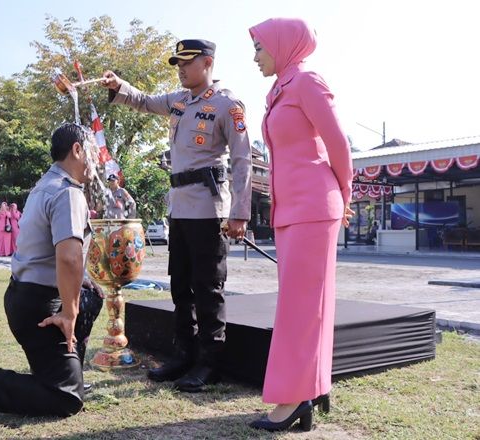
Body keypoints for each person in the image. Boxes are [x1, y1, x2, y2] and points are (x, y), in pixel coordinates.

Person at [101, 39, 252, 392]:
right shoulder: (178, 101)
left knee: (207, 288)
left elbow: (243, 160)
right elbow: (141, 100)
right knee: (180, 286)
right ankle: (184, 354)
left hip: (208, 210)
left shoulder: (228, 106)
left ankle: (210, 362)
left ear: (208, 63)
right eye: (177, 63)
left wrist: (239, 213)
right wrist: (117, 86)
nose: (181, 69)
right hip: (180, 210)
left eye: (187, 62)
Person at [0, 123, 104, 418]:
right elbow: (68, 258)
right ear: (77, 150)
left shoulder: (44, 185)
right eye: (92, 151)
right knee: (65, 399)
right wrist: (69, 315)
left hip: (25, 296)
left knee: (91, 295)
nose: (95, 160)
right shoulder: (67, 192)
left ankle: (67, 370)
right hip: (40, 304)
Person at [247, 18, 354, 432]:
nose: (255, 57)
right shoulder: (280, 88)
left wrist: (343, 197)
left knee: (300, 307)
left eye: (259, 48)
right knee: (305, 305)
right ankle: (308, 391)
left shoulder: (307, 81)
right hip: (291, 210)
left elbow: (339, 144)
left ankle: (292, 399)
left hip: (314, 206)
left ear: (281, 44)